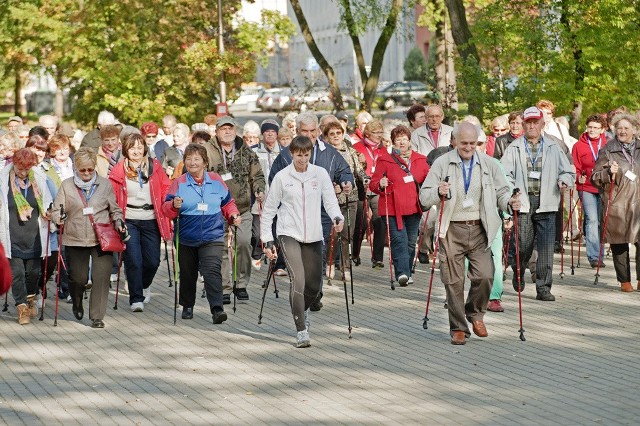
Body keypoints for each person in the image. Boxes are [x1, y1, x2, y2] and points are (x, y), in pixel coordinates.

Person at [420, 122, 520, 345]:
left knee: (485, 275)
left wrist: (510, 202)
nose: (468, 148)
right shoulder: (442, 163)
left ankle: (475, 313)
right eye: (464, 143)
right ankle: (458, 328)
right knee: (453, 281)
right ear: (454, 141)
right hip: (451, 228)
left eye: (473, 144)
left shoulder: (490, 164)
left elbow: (503, 192)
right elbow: (424, 197)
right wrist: (438, 191)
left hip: (479, 228)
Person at [261, 136, 344, 348]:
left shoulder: (320, 174)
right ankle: (301, 330)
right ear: (292, 153)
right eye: (299, 155)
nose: (302, 159)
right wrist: (267, 239)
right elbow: (269, 210)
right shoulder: (282, 177)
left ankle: (302, 308)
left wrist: (338, 218)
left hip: (314, 235)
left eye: (306, 155)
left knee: (314, 285)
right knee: (297, 279)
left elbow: (330, 202)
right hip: (288, 233)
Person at [269, 112, 353, 311]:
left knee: (319, 254)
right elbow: (275, 182)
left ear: (318, 131)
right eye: (304, 131)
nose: (309, 135)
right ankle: (302, 293)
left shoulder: (329, 152)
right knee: (299, 260)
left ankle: (315, 293)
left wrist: (346, 181)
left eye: (312, 131)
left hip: (321, 212)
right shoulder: (284, 155)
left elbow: (344, 170)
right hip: (294, 215)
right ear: (296, 131)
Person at [501, 106, 575, 301]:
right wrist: (512, 192)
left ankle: (543, 288)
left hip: (548, 202)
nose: (532, 125)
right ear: (524, 124)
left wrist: (564, 181)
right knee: (523, 246)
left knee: (546, 248)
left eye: (536, 122)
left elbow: (568, 171)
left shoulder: (553, 147)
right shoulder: (514, 147)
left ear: (542, 124)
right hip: (523, 201)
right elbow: (503, 174)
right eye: (529, 122)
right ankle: (519, 270)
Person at [162, 144, 240, 322]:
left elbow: (228, 203)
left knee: (212, 271)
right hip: (186, 237)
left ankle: (217, 309)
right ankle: (187, 305)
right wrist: (173, 206)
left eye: (196, 159)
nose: (192, 162)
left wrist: (233, 214)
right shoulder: (179, 183)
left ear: (205, 162)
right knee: (188, 273)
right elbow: (165, 209)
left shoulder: (216, 180)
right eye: (188, 159)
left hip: (212, 235)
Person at [51, 147, 124, 328]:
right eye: (82, 169)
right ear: (76, 168)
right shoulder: (67, 185)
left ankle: (97, 316)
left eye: (90, 169)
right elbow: (55, 209)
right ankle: (76, 301)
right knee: (78, 278)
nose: (86, 173)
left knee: (101, 277)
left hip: (102, 237)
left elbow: (114, 209)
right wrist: (57, 217)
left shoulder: (105, 184)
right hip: (75, 236)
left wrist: (119, 222)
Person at [109, 133, 173, 311]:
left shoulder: (154, 166)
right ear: (126, 150)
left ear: (144, 148)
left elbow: (166, 188)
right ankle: (136, 297)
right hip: (129, 218)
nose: (136, 151)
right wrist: (116, 219)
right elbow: (112, 196)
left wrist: (169, 203)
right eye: (132, 148)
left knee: (153, 261)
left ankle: (144, 284)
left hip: (152, 218)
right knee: (134, 260)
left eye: (139, 147)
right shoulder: (119, 170)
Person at [208, 116, 265, 304]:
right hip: (217, 209)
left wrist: (259, 189)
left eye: (230, 128)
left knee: (243, 243)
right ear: (216, 131)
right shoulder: (207, 151)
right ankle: (224, 287)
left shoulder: (245, 151)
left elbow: (257, 175)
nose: (227, 132)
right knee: (222, 248)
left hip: (242, 207)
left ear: (235, 130)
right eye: (223, 128)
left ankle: (240, 285)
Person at [370, 125, 429, 286]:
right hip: (393, 207)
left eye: (404, 139)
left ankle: (407, 271)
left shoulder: (421, 160)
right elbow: (373, 184)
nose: (402, 142)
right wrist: (380, 184)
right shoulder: (384, 160)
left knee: (410, 242)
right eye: (398, 140)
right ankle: (402, 273)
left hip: (414, 208)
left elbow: (429, 180)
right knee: (399, 240)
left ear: (410, 141)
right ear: (393, 143)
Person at [0, 149, 54, 325]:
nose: (23, 173)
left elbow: (47, 201)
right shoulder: (3, 180)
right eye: (19, 169)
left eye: (26, 169)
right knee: (17, 274)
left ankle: (31, 297)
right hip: (12, 234)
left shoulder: (38, 178)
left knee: (33, 273)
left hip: (34, 235)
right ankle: (21, 306)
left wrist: (49, 211)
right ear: (13, 164)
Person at [591, 113, 640, 292]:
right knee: (619, 242)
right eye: (619, 128)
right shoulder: (607, 149)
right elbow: (595, 177)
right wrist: (607, 173)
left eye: (626, 128)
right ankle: (624, 281)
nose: (622, 131)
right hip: (618, 204)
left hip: (639, 203)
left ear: (634, 130)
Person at [323, 121, 367, 278]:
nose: (336, 136)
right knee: (332, 234)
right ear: (327, 137)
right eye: (332, 134)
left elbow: (359, 170)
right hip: (332, 199)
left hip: (351, 197)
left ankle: (345, 267)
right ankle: (330, 264)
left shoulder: (351, 150)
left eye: (338, 133)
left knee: (347, 234)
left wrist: (365, 179)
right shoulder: (325, 153)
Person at [572, 114, 608, 268]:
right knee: (592, 219)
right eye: (590, 127)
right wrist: (578, 176)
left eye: (596, 128)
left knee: (601, 220)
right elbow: (575, 166)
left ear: (602, 130)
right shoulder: (578, 145)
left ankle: (600, 252)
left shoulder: (608, 144)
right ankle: (594, 257)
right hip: (586, 186)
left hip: (604, 186)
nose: (592, 130)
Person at [352, 120, 386, 269]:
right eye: (376, 133)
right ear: (367, 134)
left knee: (379, 222)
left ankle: (377, 258)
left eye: (381, 133)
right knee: (361, 223)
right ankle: (355, 254)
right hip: (362, 189)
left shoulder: (383, 149)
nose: (379, 136)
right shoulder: (357, 148)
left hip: (377, 188)